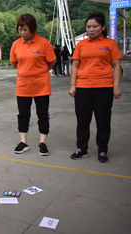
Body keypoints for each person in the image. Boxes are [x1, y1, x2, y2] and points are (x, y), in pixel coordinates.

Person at [68, 13, 122, 163]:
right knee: (82, 120)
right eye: (88, 27)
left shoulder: (110, 44)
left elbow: (117, 66)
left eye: (95, 26)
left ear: (103, 27)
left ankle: (102, 149)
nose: (91, 29)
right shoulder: (81, 45)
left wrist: (116, 86)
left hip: (104, 87)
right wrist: (73, 85)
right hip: (83, 87)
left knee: (103, 120)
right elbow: (75, 65)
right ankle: (82, 148)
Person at [10, 14, 56, 156]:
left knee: (42, 114)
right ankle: (23, 142)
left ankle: (43, 142)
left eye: (25, 29)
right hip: (23, 86)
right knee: (23, 114)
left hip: (41, 85)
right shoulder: (16, 44)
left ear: (33, 28)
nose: (22, 32)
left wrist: (40, 71)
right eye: (20, 29)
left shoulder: (43, 43)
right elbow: (13, 62)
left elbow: (52, 61)